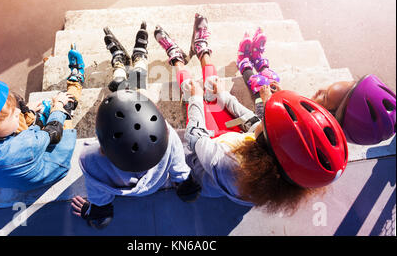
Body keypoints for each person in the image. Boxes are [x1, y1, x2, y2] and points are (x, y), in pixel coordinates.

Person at [154, 13, 348, 214]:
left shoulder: (228, 165)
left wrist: (195, 97)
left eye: (267, 119)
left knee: (194, 92)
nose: (261, 115)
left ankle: (176, 58)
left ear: (268, 139)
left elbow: (196, 137)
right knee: (214, 92)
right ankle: (201, 49)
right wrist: (223, 96)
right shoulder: (279, 164)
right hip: (233, 146)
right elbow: (253, 123)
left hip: (206, 159)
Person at [71, 23, 201, 229]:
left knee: (118, 97)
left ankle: (120, 63)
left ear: (102, 148)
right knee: (139, 95)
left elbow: (101, 203)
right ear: (162, 130)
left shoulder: (92, 161)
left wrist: (95, 212)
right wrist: (186, 189)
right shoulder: (168, 138)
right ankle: (138, 59)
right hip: (151, 186)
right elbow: (180, 174)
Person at [0, 45, 85, 191]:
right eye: (13, 114)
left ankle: (34, 115)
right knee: (62, 107)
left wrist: (28, 111)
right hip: (53, 165)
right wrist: (58, 107)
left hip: (11, 163)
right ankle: (76, 81)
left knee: (27, 107)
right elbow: (53, 132)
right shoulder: (26, 145)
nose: (18, 111)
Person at [236, 29, 396, 145]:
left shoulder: (295, 134)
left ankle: (245, 65)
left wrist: (267, 101)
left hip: (262, 127)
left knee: (260, 86)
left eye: (324, 96)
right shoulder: (325, 137)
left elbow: (265, 132)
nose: (319, 90)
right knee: (272, 81)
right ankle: (260, 63)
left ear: (327, 117)